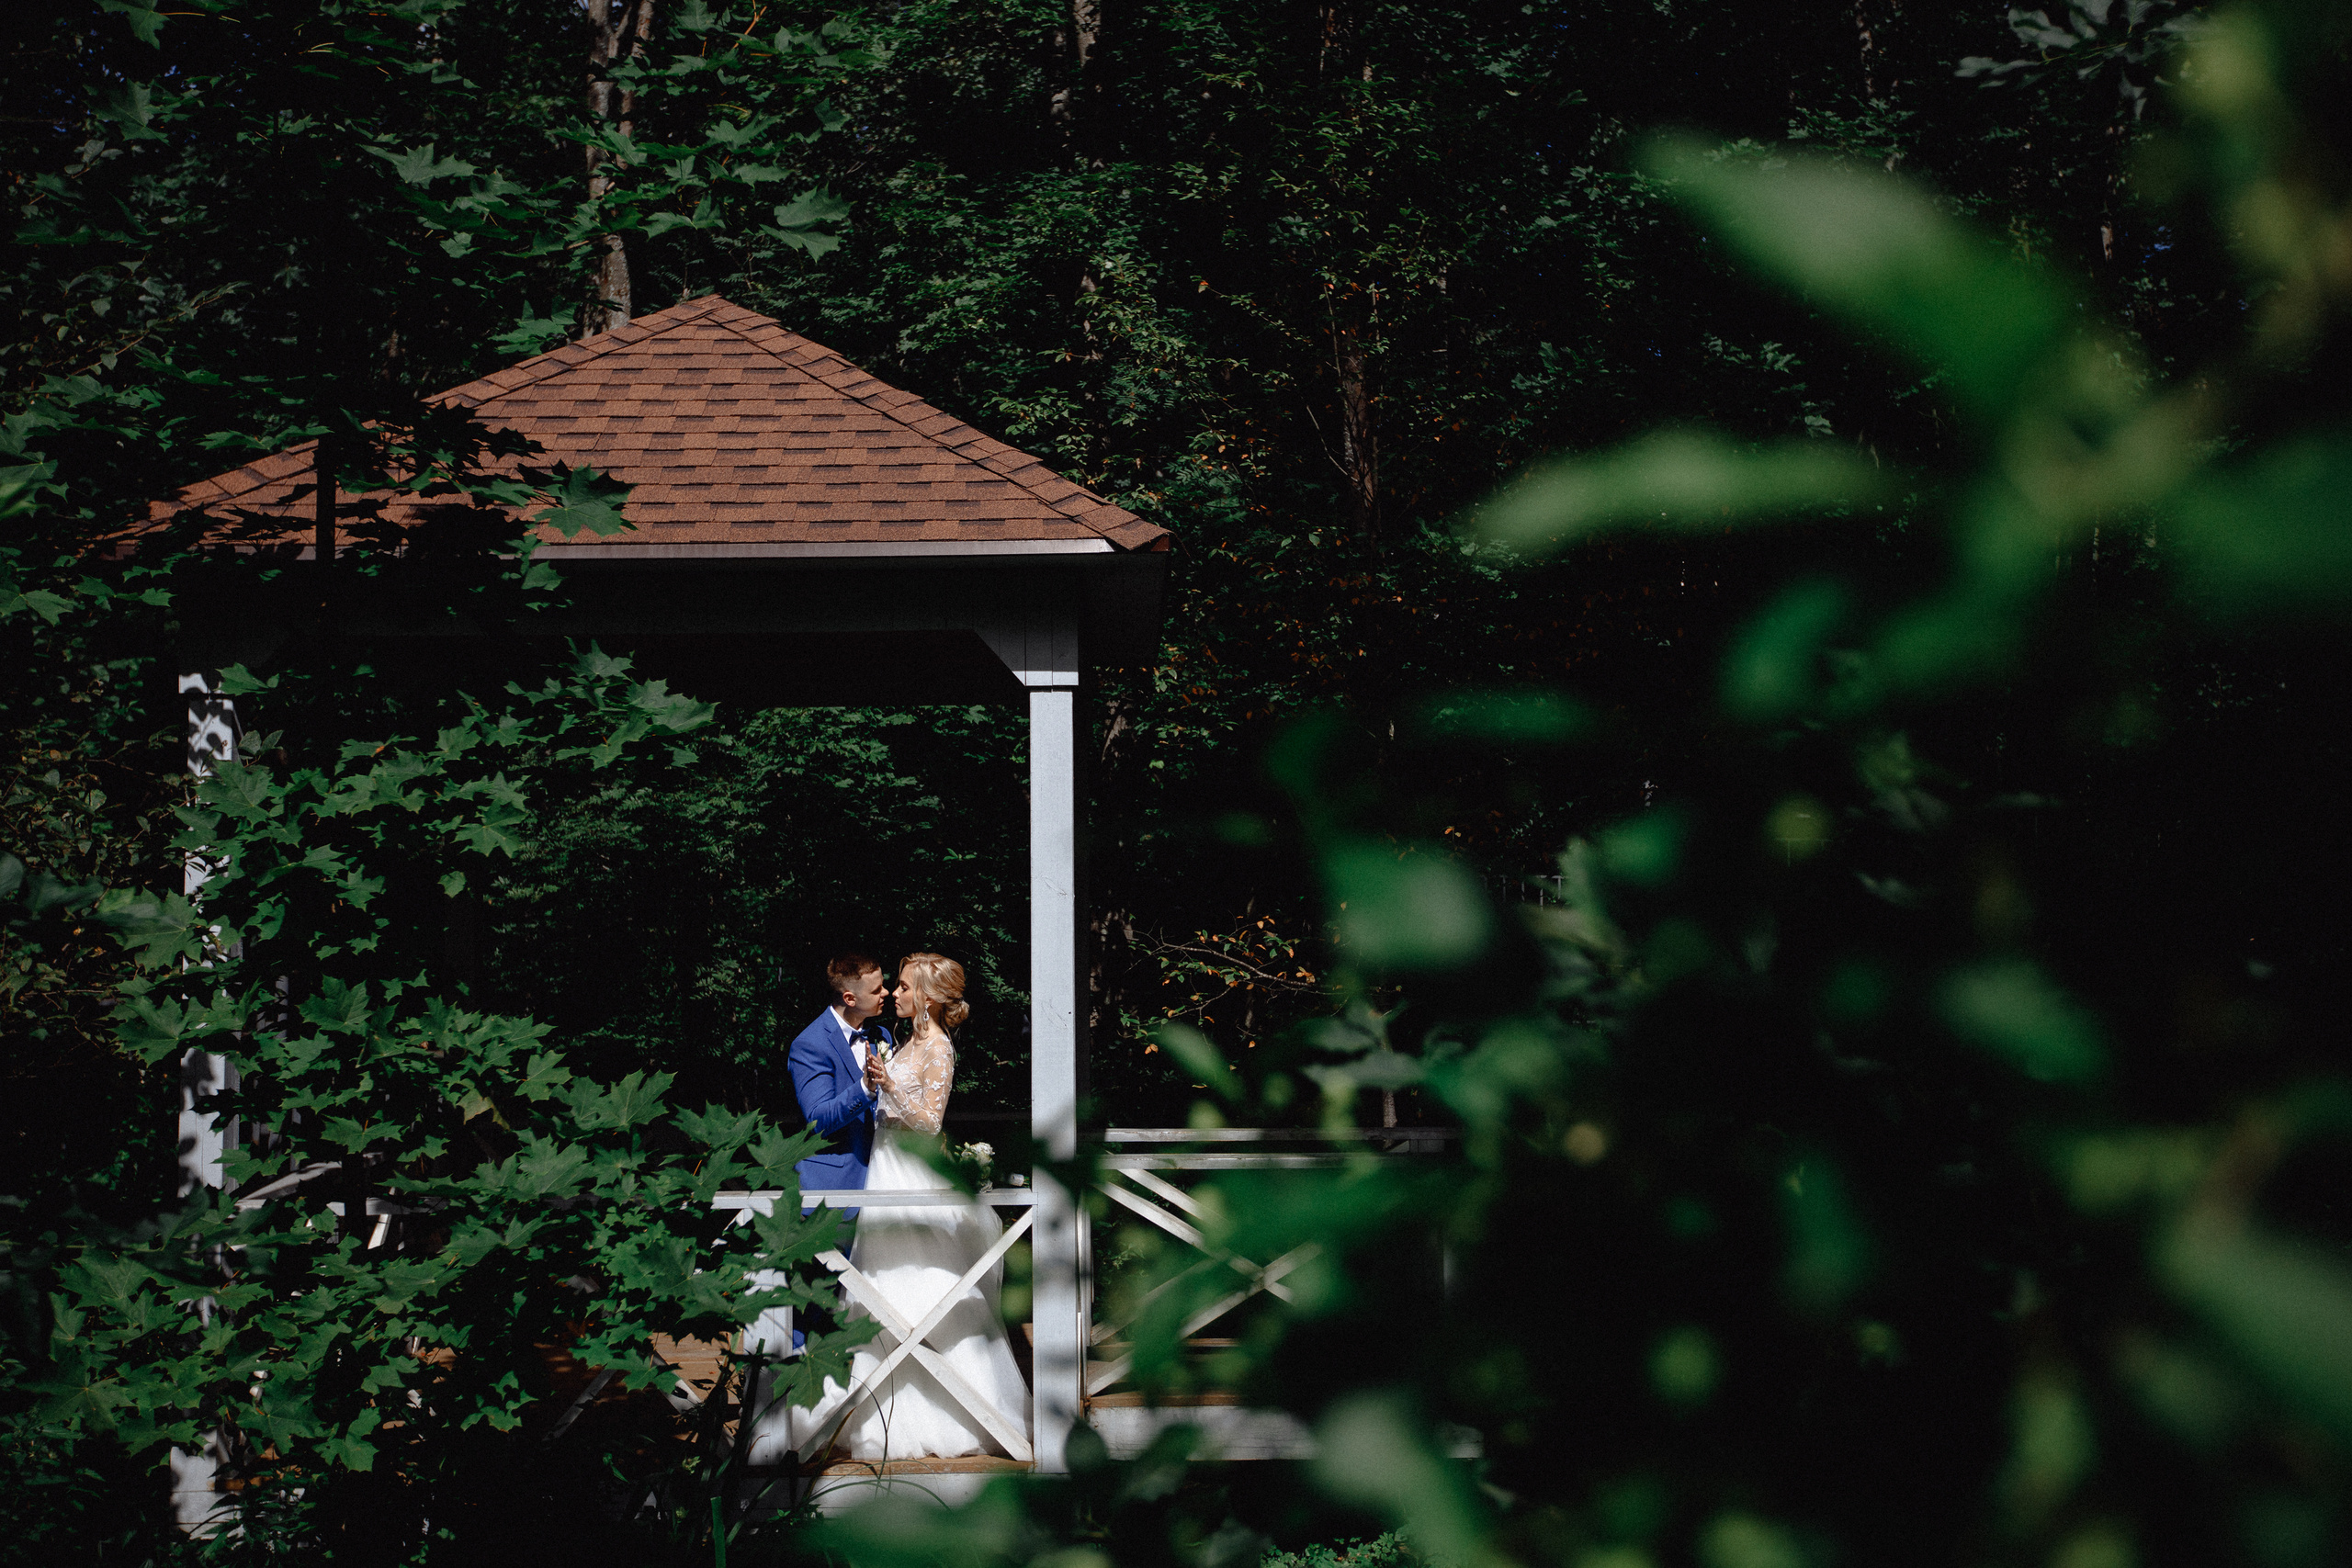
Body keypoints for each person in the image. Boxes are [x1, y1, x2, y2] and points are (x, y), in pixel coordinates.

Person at [763, 953, 1032, 1461]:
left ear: (927, 998)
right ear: (850, 996)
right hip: (874, 1177)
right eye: (887, 987)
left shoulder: (930, 1046)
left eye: (902, 986)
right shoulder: (886, 1040)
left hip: (905, 1178)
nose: (893, 994)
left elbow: (929, 1121)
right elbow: (821, 1116)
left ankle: (964, 1412)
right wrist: (875, 1084)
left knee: (927, 1290)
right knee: (872, 1295)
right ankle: (866, 1411)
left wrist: (883, 1085)